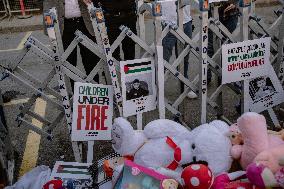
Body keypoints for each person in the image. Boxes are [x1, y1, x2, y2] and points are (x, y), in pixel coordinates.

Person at [43, 0, 100, 81]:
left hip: (85, 23)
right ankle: (73, 91)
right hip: (63, 25)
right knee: (68, 62)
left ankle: (94, 88)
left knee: (91, 60)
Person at [160, 0, 197, 99]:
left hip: (186, 21)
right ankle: (157, 90)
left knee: (184, 57)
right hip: (168, 22)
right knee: (163, 59)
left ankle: (184, 87)